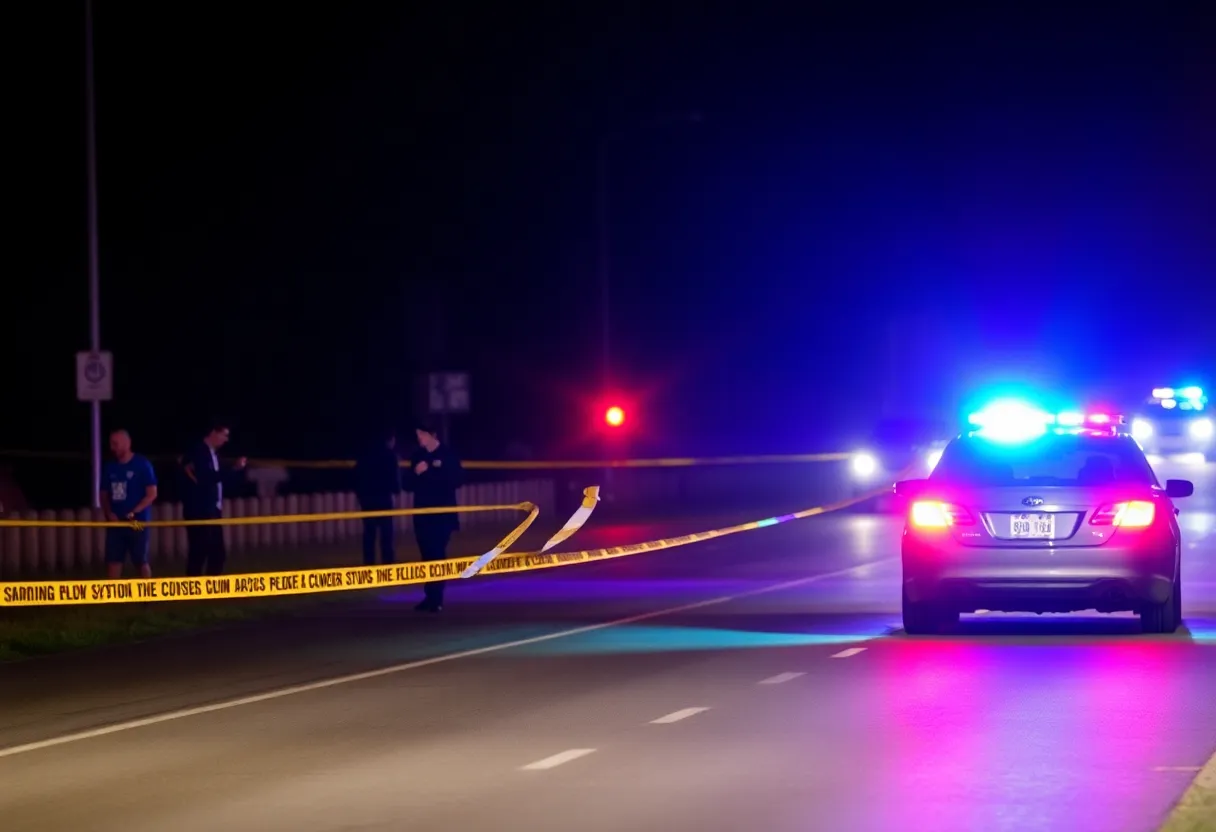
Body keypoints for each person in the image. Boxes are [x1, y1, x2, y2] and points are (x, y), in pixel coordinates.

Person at [405, 421, 463, 612]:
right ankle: (430, 596)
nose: (419, 438)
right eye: (417, 435)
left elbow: (456, 480)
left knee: (437, 553)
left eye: (422, 434)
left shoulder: (447, 455)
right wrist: (415, 472)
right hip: (422, 516)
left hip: (442, 516)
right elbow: (406, 484)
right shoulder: (417, 456)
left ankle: (436, 598)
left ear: (432, 434)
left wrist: (430, 473)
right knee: (427, 556)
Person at [181, 422, 247, 576]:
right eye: (224, 434)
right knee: (199, 550)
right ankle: (193, 585)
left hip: (213, 508)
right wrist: (234, 468)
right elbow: (206, 478)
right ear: (213, 433)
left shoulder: (214, 454)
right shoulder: (198, 452)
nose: (226, 439)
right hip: (199, 509)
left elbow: (216, 479)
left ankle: (212, 585)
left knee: (217, 551)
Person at [99, 429, 158, 579]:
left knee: (140, 560)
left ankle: (147, 595)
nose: (112, 447)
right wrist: (108, 512)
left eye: (115, 444)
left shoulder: (142, 465)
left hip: (137, 522)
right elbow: (104, 494)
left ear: (127, 443)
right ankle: (113, 597)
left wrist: (135, 511)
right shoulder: (110, 467)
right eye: (111, 444)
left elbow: (152, 494)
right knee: (113, 560)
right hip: (115, 523)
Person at [354, 429, 402, 565]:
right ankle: (387, 561)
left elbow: (357, 475)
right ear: (390, 440)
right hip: (383, 498)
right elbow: (394, 477)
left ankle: (369, 562)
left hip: (367, 499)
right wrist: (397, 490)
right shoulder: (390, 455)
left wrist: (360, 495)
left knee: (369, 532)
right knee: (386, 533)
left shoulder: (365, 454)